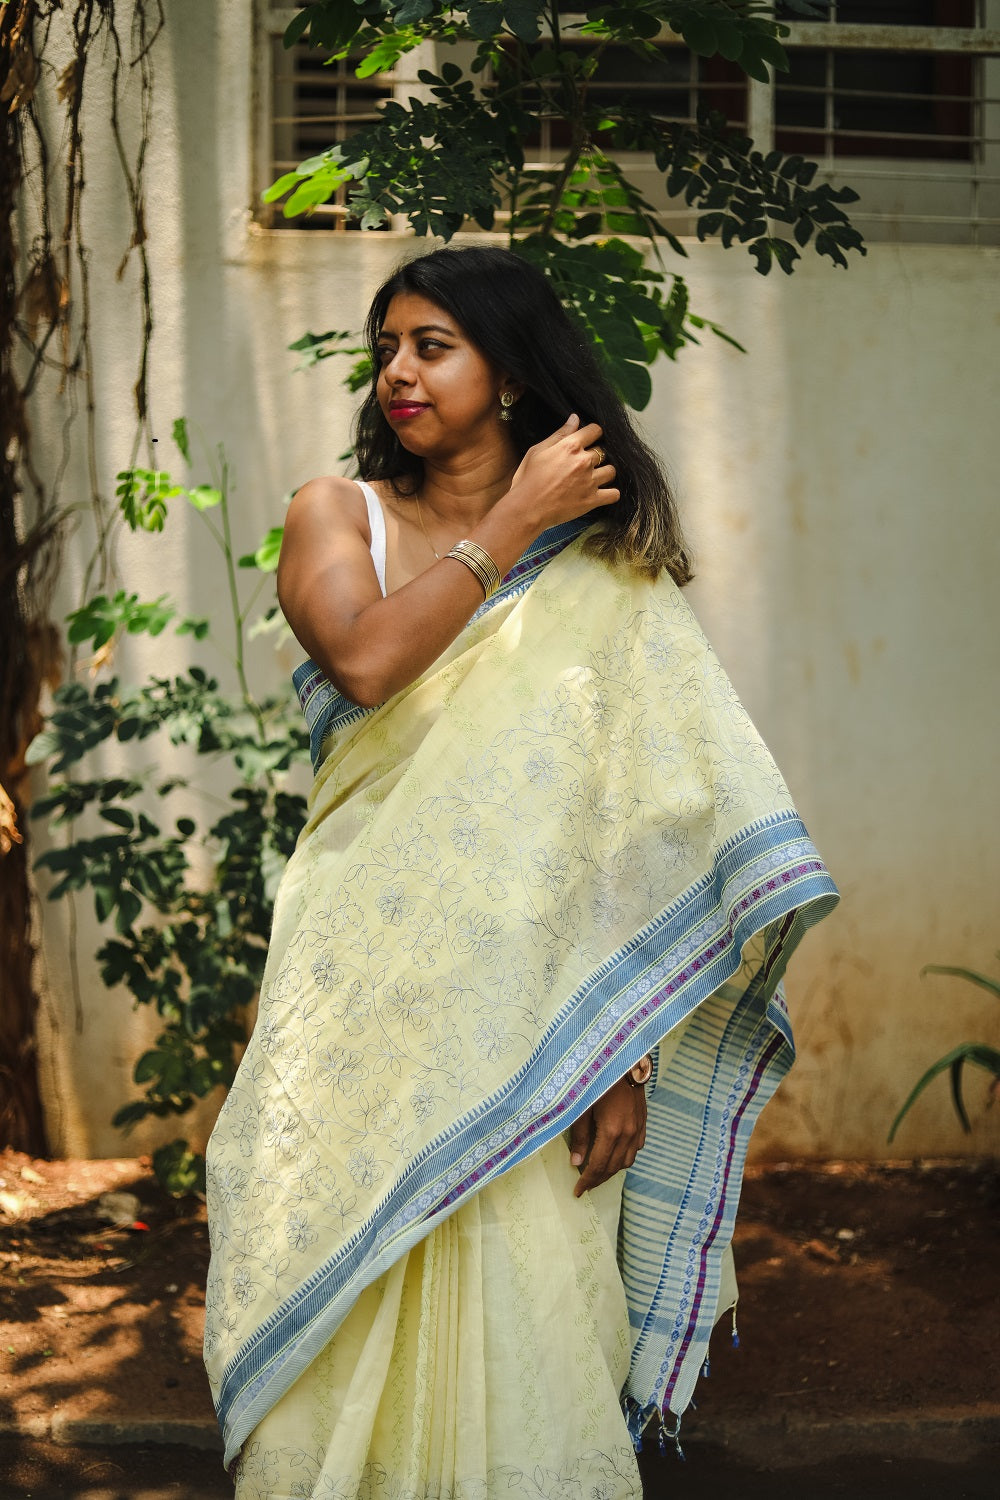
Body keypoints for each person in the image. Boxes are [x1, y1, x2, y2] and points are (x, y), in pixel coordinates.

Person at [204, 246, 837, 1500]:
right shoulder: (340, 513)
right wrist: (512, 523)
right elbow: (368, 665)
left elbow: (636, 828)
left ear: (508, 371)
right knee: (326, 1257)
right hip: (358, 985)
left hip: (535, 1015)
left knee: (531, 1310)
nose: (397, 371)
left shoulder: (604, 574)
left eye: (430, 345)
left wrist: (620, 1055)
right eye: (384, 346)